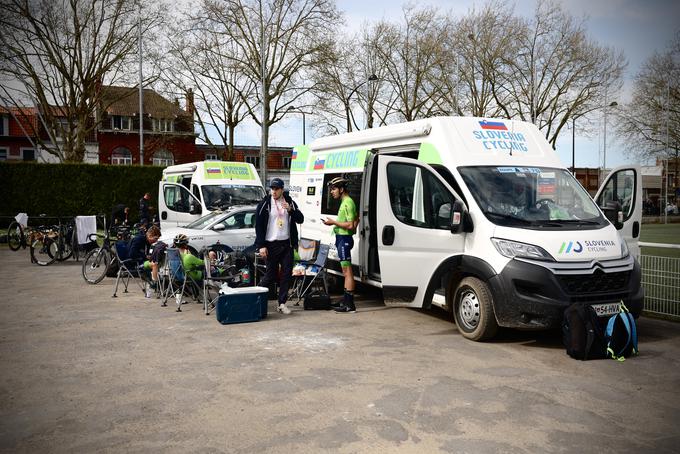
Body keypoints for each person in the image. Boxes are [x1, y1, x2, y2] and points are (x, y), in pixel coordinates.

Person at [254, 177, 304, 315]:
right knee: (270, 275)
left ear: (282, 189)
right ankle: (253, 295)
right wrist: (261, 246)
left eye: (276, 189)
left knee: (286, 274)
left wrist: (291, 210)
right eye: (272, 188)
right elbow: (258, 226)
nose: (274, 191)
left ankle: (282, 303)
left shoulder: (289, 202)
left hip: (286, 243)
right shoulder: (265, 203)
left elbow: (300, 219)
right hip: (270, 244)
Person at [323, 176, 358, 313]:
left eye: (334, 189)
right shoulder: (345, 202)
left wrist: (334, 222)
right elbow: (356, 220)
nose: (332, 192)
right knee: (345, 272)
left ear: (341, 189)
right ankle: (346, 300)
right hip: (341, 238)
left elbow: (350, 225)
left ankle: (350, 304)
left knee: (347, 272)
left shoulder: (348, 202)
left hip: (344, 239)